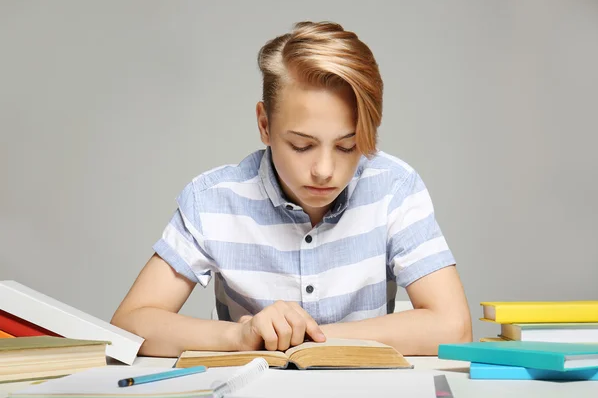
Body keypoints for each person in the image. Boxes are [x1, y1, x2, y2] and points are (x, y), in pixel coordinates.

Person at [110, 21, 472, 358]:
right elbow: (130, 324)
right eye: (302, 145)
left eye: (347, 146)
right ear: (264, 125)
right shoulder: (211, 200)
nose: (325, 171)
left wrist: (309, 338)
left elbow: (454, 327)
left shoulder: (394, 188)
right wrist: (242, 336)